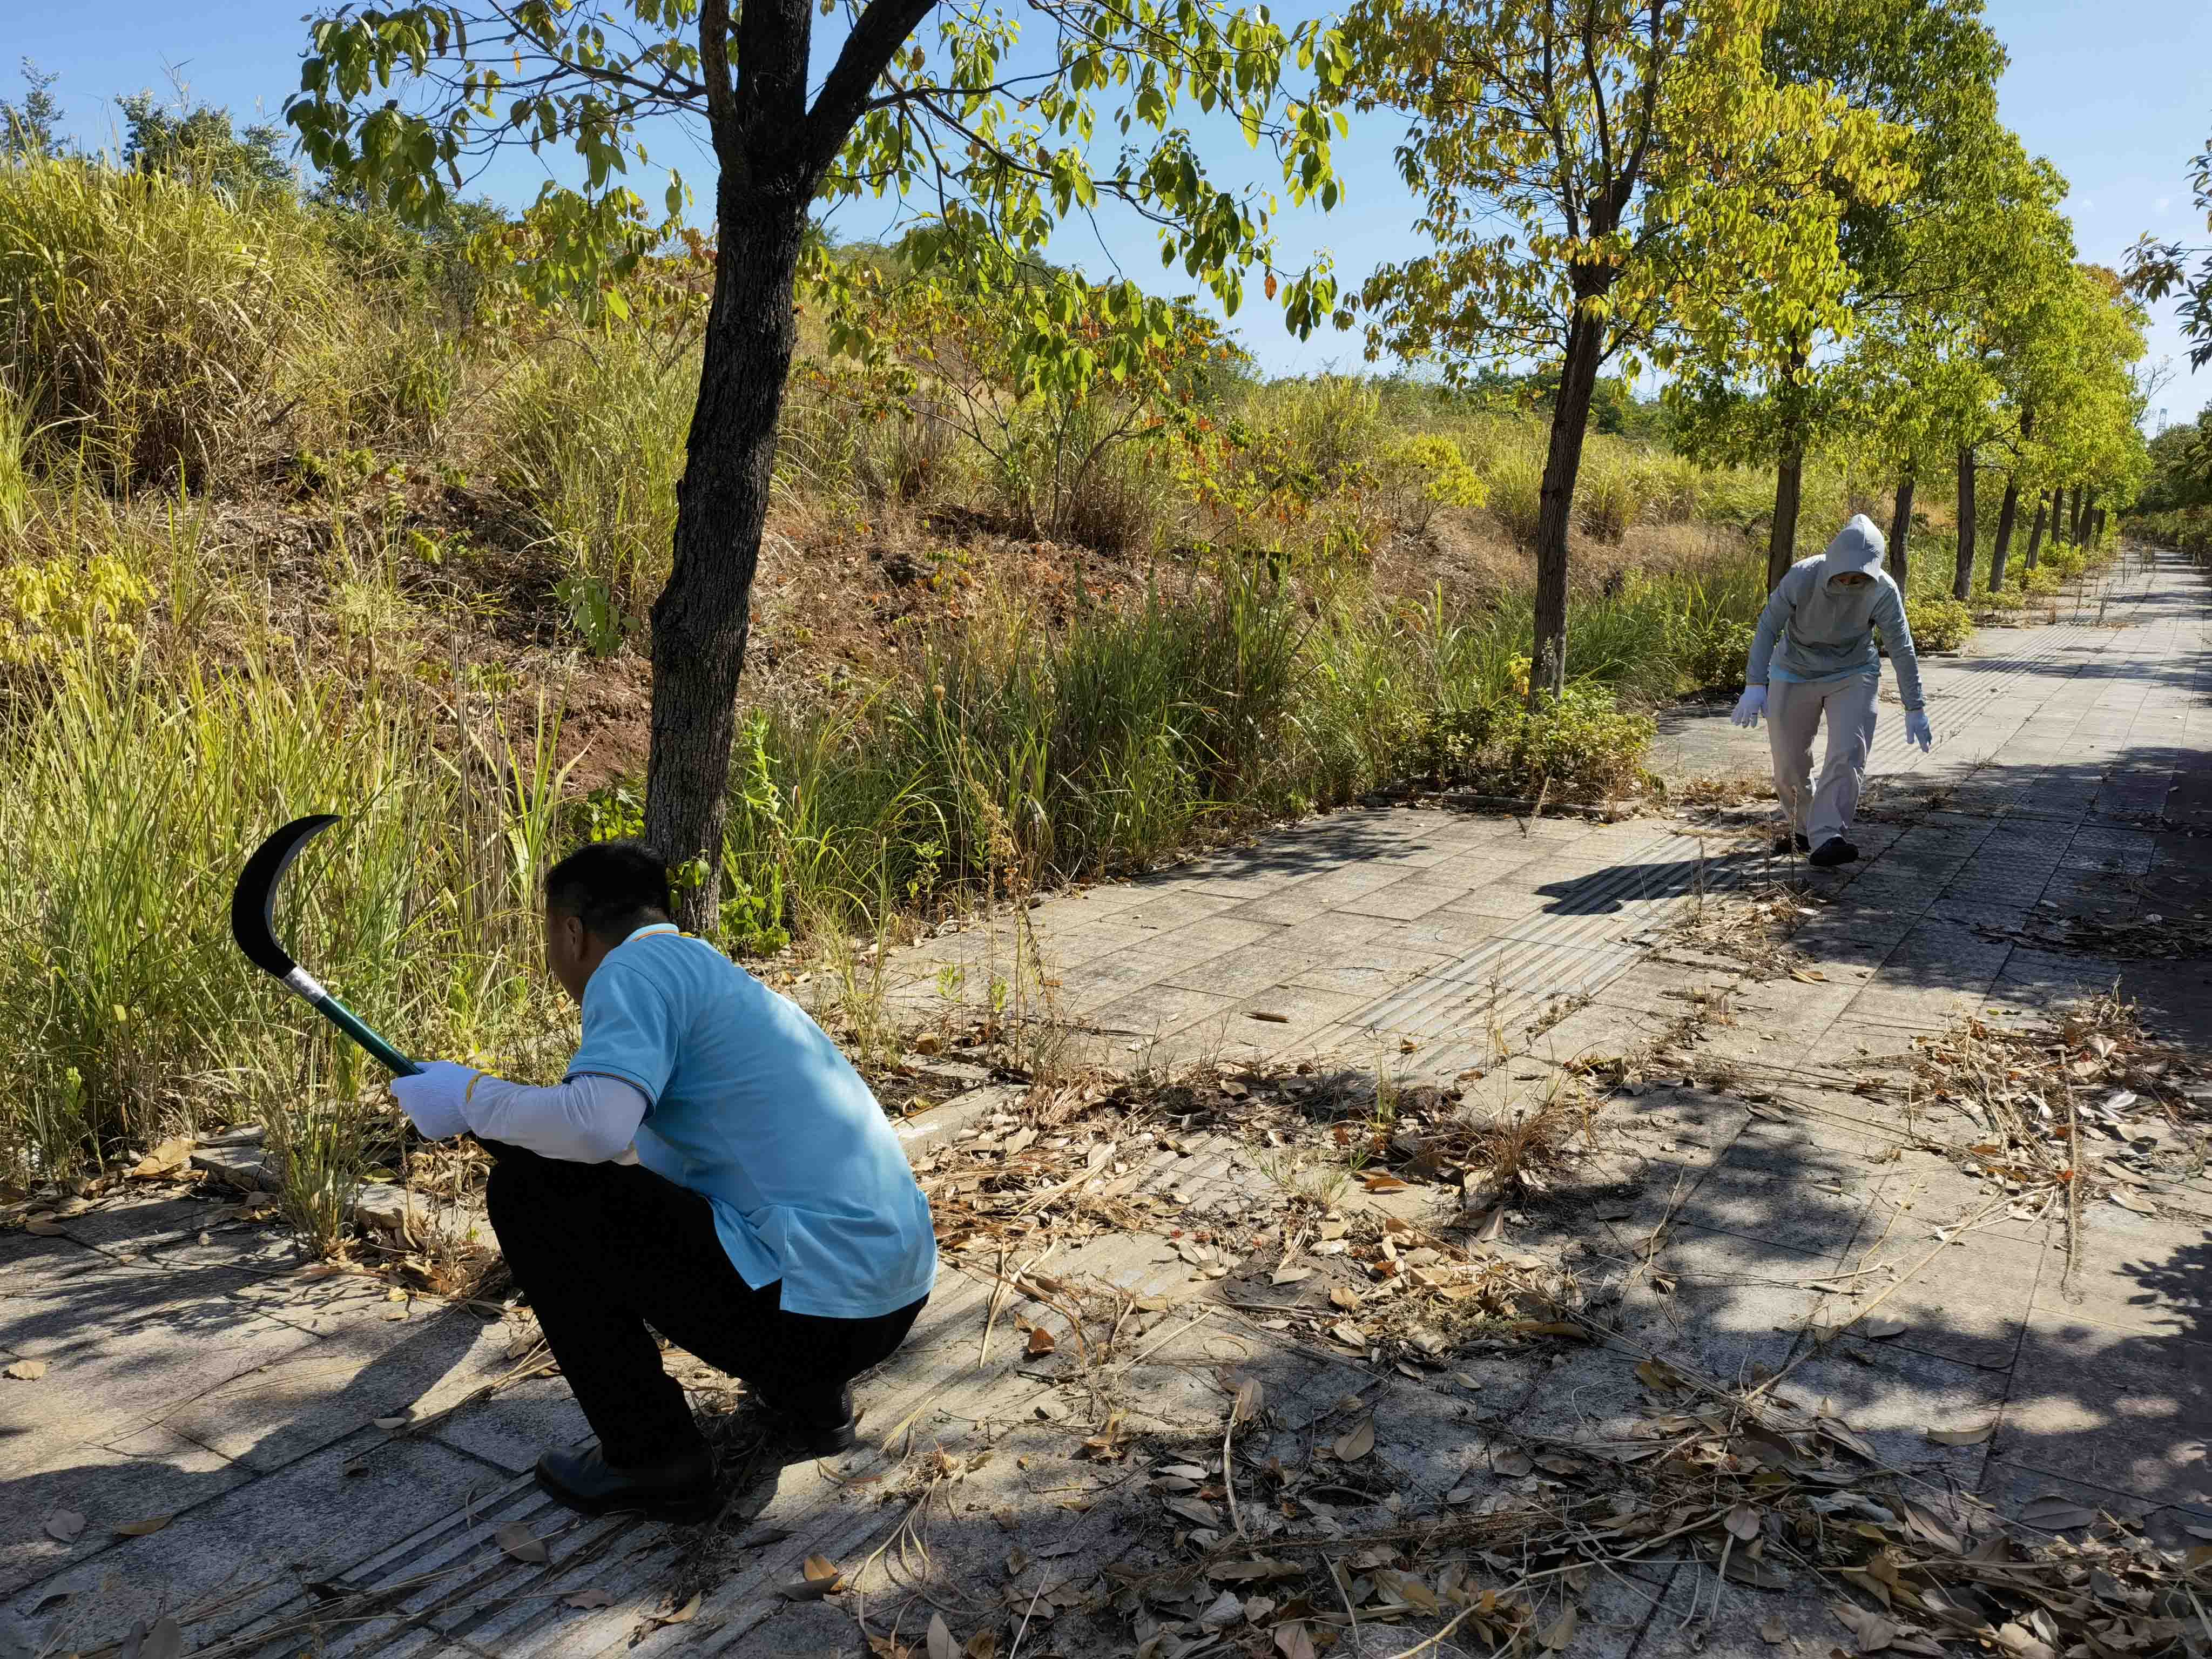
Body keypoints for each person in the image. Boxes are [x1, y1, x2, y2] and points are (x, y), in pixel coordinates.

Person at [389, 840, 936, 1524]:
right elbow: (620, 1155)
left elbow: (593, 1127)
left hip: (815, 1321)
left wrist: (469, 1094)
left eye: (548, 936)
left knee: (529, 1196)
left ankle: (653, 1456)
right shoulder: (707, 972)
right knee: (603, 1188)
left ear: (571, 930)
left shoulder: (632, 971)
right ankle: (810, 1400)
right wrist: (484, 1113)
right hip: (884, 1305)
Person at [1732, 514, 1934, 868]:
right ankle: (1803, 829)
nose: (1851, 582)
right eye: (1845, 574)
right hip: (1793, 670)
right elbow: (1768, 626)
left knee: (1848, 751)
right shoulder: (1803, 576)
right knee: (1789, 761)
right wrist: (1754, 684)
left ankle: (1828, 836)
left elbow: (1901, 647)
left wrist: (1914, 706)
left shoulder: (1883, 590)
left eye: (1860, 577)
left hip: (1854, 673)